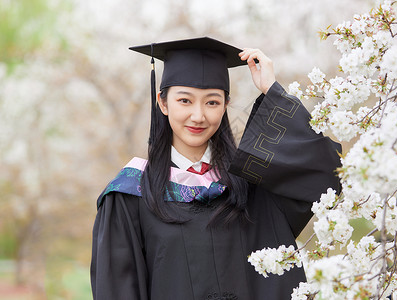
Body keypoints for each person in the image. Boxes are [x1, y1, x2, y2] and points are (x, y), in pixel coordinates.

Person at [90, 37, 341, 300]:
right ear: (163, 103)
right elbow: (116, 289)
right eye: (185, 101)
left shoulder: (252, 185)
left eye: (212, 102)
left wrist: (272, 90)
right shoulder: (132, 193)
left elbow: (327, 176)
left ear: (225, 105)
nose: (198, 116)